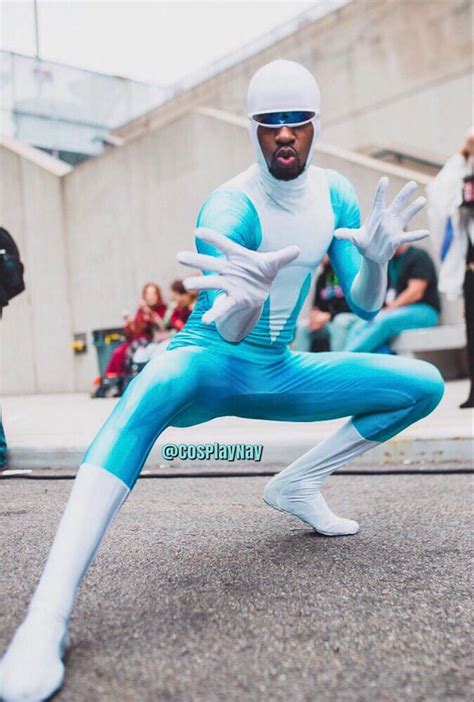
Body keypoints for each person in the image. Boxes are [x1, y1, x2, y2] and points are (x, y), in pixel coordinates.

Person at [0, 60, 445, 702]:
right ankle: (48, 615)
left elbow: (369, 305)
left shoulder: (337, 196)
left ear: (314, 126)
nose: (284, 135)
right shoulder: (231, 204)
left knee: (422, 385)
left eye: (296, 122)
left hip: (280, 369)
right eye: (270, 124)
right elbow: (228, 332)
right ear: (253, 130)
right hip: (209, 360)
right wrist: (246, 300)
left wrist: (375, 263)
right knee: (148, 388)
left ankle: (299, 483)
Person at [427, 129, 474, 408]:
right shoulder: (460, 174)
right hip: (470, 267)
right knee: (472, 329)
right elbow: (439, 191)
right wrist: (462, 153)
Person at [342, 242, 440, 353]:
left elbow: (415, 292)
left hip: (425, 312)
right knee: (358, 326)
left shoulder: (418, 256)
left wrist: (389, 309)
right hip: (396, 311)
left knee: (384, 321)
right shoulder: (389, 261)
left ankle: (347, 357)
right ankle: (345, 358)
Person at [93, 283, 166, 397]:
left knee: (128, 353)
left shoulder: (162, 308)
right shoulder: (141, 310)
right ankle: (111, 383)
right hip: (135, 339)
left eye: (153, 293)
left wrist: (147, 311)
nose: (150, 296)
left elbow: (161, 325)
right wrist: (129, 323)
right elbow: (136, 330)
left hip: (150, 341)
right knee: (117, 353)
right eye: (147, 293)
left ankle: (118, 384)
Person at [293, 255, 356, 352]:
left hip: (350, 318)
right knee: (303, 326)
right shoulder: (322, 277)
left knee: (340, 321)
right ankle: (297, 366)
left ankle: (336, 364)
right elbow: (317, 305)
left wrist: (329, 315)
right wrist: (314, 317)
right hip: (328, 322)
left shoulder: (349, 272)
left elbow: (356, 305)